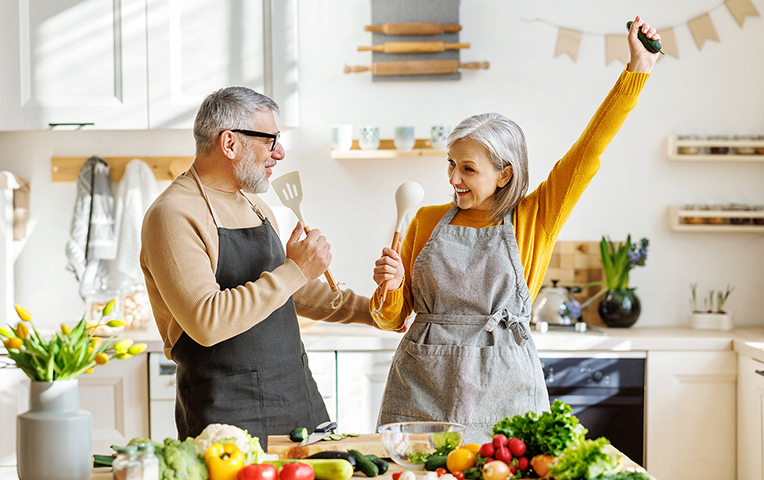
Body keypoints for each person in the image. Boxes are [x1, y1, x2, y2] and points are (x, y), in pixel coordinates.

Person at [370, 17, 660, 443]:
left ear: (505, 174)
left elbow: (589, 151)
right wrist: (390, 287)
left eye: (468, 168)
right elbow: (391, 319)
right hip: (421, 387)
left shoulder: (534, 217)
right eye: (451, 164)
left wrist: (638, 70)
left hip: (505, 388)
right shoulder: (424, 220)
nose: (453, 178)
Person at [140, 87, 374, 447]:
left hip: (297, 398)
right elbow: (207, 321)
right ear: (230, 143)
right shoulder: (173, 213)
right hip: (226, 414)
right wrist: (296, 268)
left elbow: (291, 292)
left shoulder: (254, 204)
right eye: (270, 140)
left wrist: (375, 311)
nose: (279, 153)